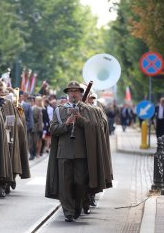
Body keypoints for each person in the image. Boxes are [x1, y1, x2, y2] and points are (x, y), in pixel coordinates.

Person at [46, 81, 113, 222]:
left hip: (81, 153)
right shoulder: (59, 110)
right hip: (63, 153)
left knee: (80, 182)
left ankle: (78, 206)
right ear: (67, 94)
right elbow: (53, 130)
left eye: (76, 91)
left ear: (81, 93)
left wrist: (81, 121)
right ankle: (68, 212)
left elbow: (96, 127)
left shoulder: (88, 110)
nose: (73, 93)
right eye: (71, 91)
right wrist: (66, 124)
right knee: (65, 184)